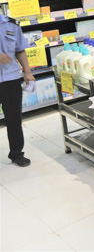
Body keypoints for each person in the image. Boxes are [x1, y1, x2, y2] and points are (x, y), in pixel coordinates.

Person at [0, 13, 34, 168]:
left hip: (10, 78)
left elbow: (20, 50)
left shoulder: (12, 24)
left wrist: (27, 72)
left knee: (14, 118)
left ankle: (17, 153)